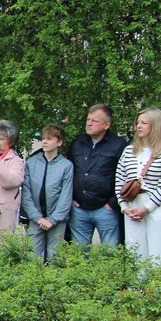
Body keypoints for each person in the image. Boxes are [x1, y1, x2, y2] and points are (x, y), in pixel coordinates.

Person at [115, 108, 161, 265]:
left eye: (144, 123)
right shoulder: (129, 151)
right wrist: (124, 207)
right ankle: (136, 289)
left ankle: (158, 288)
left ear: (155, 126)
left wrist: (147, 208)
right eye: (137, 123)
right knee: (135, 252)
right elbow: (119, 180)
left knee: (159, 252)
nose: (139, 126)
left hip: (158, 206)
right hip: (132, 204)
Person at [67, 104, 127, 248]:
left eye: (94, 120)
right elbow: (68, 172)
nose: (89, 123)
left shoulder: (119, 145)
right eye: (88, 119)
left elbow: (124, 176)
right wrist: (70, 199)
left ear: (106, 125)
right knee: (79, 255)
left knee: (109, 254)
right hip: (79, 208)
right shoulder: (77, 143)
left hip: (105, 209)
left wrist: (111, 204)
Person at [21, 125, 74, 262]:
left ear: (59, 142)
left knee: (54, 257)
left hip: (57, 220)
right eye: (43, 138)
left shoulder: (66, 165)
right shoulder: (31, 163)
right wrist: (37, 217)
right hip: (35, 219)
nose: (44, 142)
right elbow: (26, 194)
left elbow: (66, 196)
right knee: (32, 258)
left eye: (49, 139)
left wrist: (52, 219)